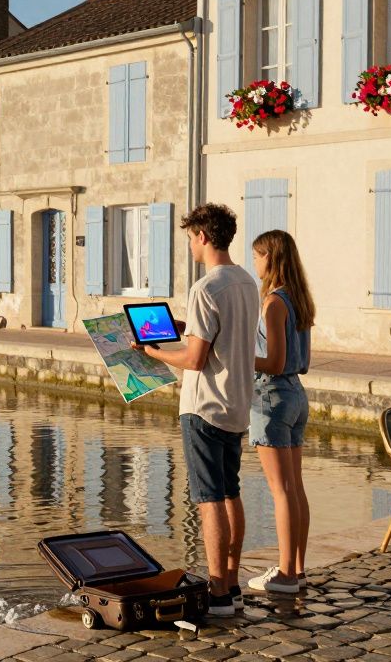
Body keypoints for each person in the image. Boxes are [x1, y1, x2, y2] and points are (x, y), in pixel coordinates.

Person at [135, 203, 259, 617]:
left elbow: (195, 359)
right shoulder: (246, 282)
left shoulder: (205, 288)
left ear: (203, 236)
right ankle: (233, 583)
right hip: (236, 404)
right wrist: (184, 328)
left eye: (190, 238)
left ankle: (218, 591)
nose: (190, 245)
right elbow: (221, 338)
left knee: (209, 500)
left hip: (203, 407)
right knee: (231, 493)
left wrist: (153, 352)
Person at [246, 230, 314, 595]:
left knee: (281, 491)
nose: (254, 262)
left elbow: (272, 361)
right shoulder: (298, 299)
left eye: (257, 256)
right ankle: (297, 569)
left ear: (270, 258)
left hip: (271, 396)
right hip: (295, 395)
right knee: (295, 487)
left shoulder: (274, 303)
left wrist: (237, 355)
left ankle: (286, 575)